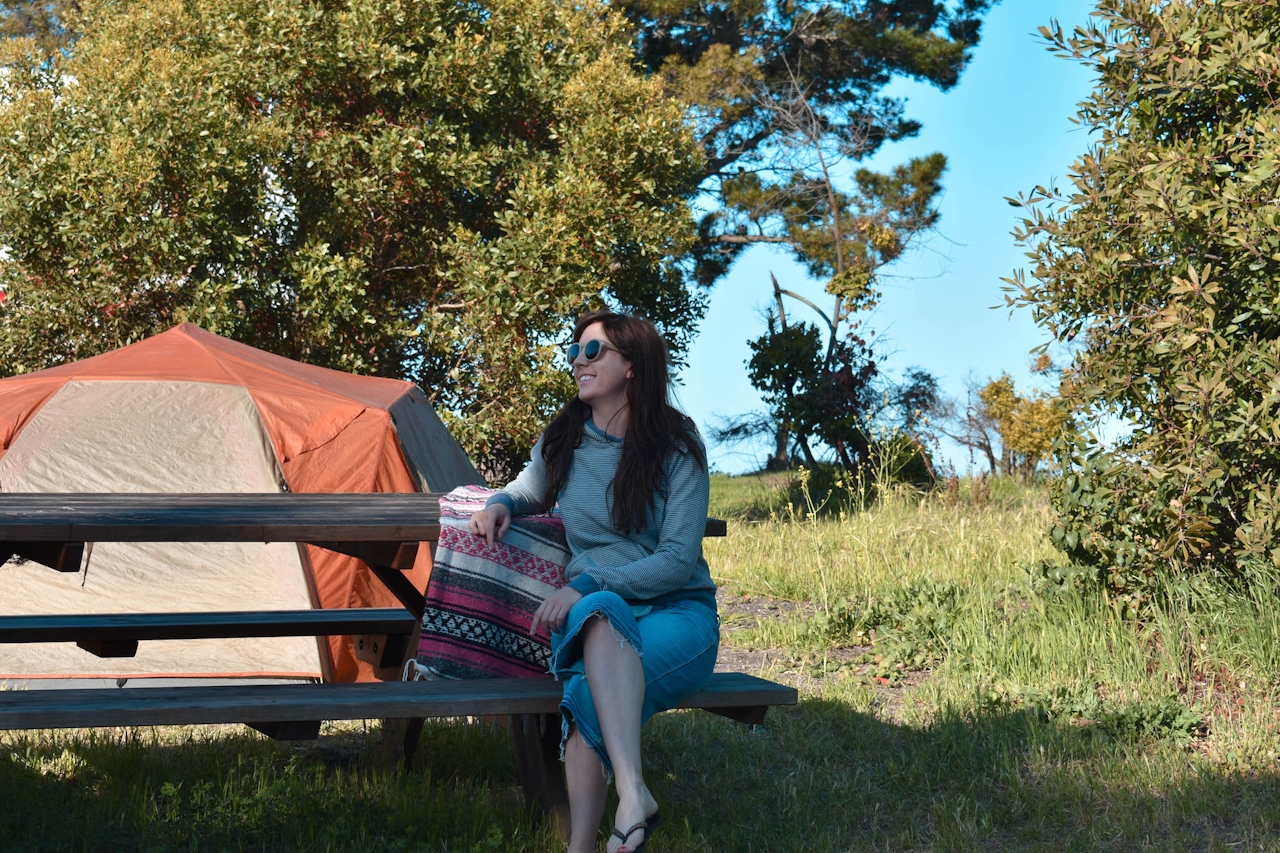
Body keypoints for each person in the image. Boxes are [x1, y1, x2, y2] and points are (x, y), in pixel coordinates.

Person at [469, 310, 718, 853]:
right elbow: (530, 487)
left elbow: (677, 560)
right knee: (601, 616)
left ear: (631, 364)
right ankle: (633, 797)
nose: (577, 362)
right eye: (574, 351)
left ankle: (588, 841)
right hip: (596, 613)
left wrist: (586, 584)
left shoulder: (677, 444)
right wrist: (500, 503)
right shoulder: (565, 440)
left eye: (592, 351)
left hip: (676, 612)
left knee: (585, 690)